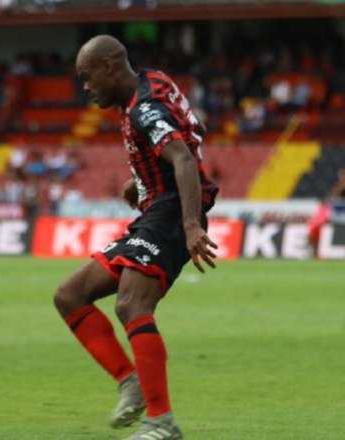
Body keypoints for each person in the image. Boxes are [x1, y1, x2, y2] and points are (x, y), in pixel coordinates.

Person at [53, 35, 219, 440]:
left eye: (87, 77)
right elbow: (191, 131)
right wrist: (140, 179)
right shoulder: (151, 84)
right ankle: (131, 383)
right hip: (155, 210)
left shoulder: (144, 106)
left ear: (109, 67)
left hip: (171, 214)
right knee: (70, 295)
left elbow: (181, 157)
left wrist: (192, 224)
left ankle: (162, 423)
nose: (86, 88)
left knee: (131, 303)